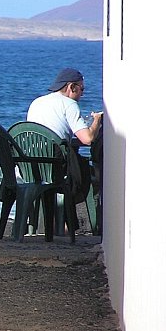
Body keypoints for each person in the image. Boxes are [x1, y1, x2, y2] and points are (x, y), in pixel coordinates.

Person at [27, 67, 103, 232]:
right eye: (81, 89)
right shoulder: (69, 104)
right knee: (90, 178)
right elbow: (88, 139)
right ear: (72, 87)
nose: (82, 94)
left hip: (32, 166)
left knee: (72, 175)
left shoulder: (37, 102)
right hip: (55, 167)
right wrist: (96, 121)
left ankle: (58, 223)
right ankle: (67, 225)